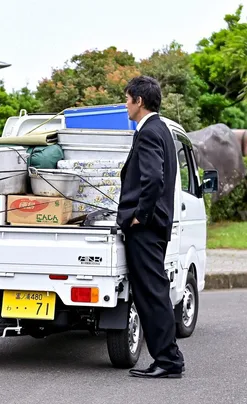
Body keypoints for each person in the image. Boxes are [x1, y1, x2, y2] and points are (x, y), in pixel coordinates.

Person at [117, 76, 184, 378]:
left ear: (139, 101)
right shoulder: (163, 130)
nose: (125, 104)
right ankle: (168, 358)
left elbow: (154, 179)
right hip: (155, 226)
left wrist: (139, 216)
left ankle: (168, 361)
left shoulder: (148, 133)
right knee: (154, 291)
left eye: (127, 98)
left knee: (152, 293)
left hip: (146, 228)